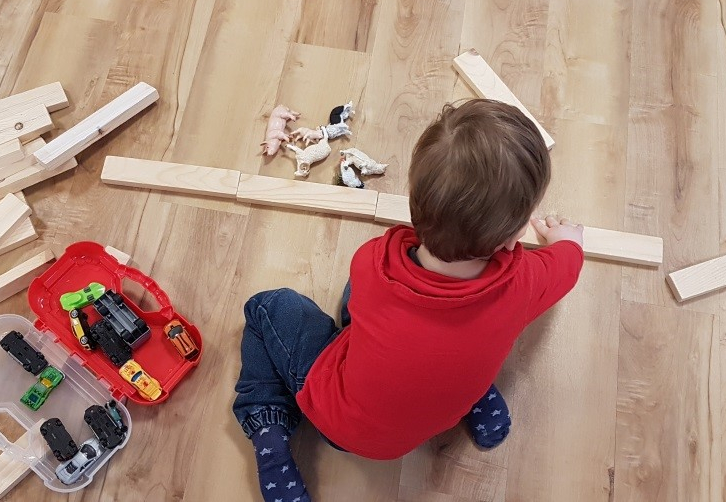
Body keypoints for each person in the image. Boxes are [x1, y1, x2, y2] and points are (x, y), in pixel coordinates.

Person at [232, 99, 585, 501]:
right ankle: (472, 393)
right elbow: (568, 266)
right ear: (511, 236)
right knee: (464, 340)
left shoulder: (373, 262)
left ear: (414, 197)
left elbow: (366, 306)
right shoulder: (525, 283)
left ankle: (269, 435)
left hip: (339, 426)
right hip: (425, 427)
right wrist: (567, 243)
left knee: (267, 306)